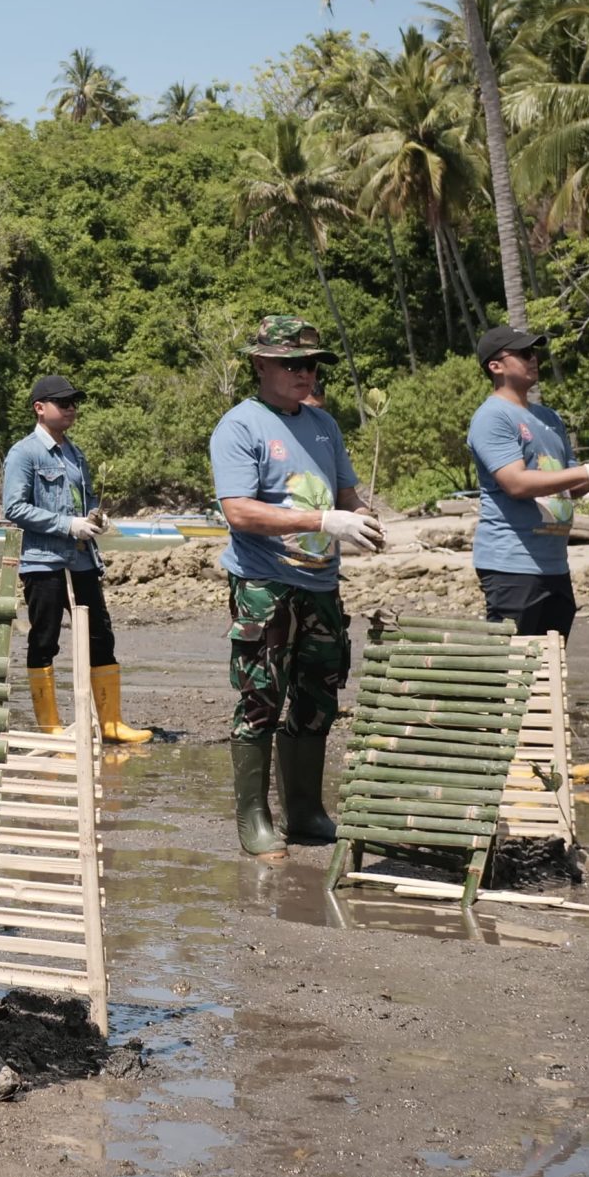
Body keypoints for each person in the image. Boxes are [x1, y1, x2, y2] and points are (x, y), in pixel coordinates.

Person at [208, 315, 382, 860]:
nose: (304, 373)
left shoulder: (323, 425)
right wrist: (321, 522)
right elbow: (238, 511)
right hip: (265, 583)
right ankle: (254, 819)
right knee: (261, 696)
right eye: (291, 364)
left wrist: (364, 517)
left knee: (319, 695)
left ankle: (304, 811)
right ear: (261, 364)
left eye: (311, 364)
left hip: (322, 585)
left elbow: (347, 492)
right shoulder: (240, 426)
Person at [1, 375, 148, 743]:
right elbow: (14, 507)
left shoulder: (75, 454)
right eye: (62, 402)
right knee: (45, 638)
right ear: (40, 408)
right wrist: (68, 525)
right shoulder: (24, 453)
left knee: (101, 635)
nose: (71, 408)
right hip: (43, 562)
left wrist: (96, 518)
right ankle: (50, 726)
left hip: (82, 561)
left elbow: (84, 500)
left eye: (73, 402)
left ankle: (111, 723)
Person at [468, 326, 589, 637]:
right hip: (512, 564)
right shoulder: (493, 416)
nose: (534, 359)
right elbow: (516, 483)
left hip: (555, 564)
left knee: (550, 672)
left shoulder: (550, 418)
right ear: (496, 366)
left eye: (536, 352)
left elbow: (568, 483)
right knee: (514, 672)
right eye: (524, 353)